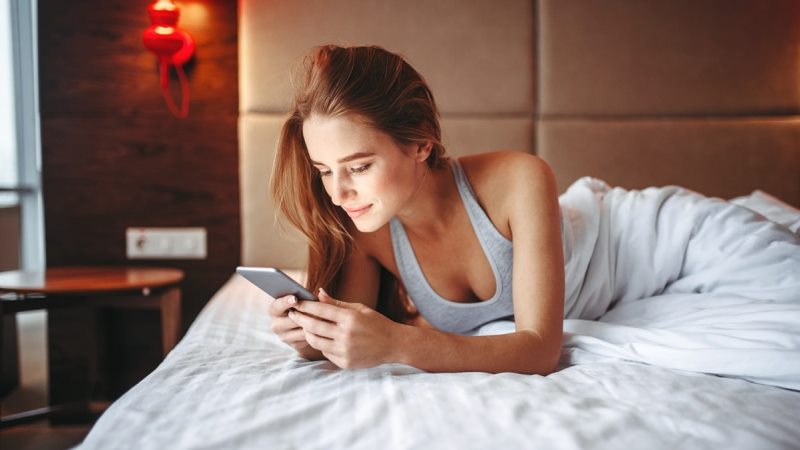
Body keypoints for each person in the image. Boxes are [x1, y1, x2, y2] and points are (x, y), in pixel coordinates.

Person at [267, 45, 800, 384]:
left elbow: (541, 349)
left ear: (421, 143)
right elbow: (355, 335)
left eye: (358, 166)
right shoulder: (364, 231)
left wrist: (402, 343)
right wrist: (311, 335)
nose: (338, 191)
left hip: (667, 239)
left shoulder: (519, 178)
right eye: (323, 169)